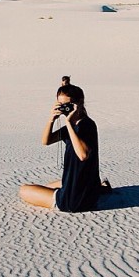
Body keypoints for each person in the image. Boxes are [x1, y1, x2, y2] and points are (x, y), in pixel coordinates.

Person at [19, 82, 104, 212]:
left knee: (24, 190)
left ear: (79, 103)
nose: (64, 108)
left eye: (68, 104)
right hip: (88, 194)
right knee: (50, 185)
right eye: (61, 105)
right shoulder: (75, 125)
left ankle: (61, 197)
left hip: (72, 201)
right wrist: (51, 119)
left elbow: (83, 155)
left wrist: (68, 123)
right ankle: (98, 187)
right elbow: (46, 141)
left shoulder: (87, 125)